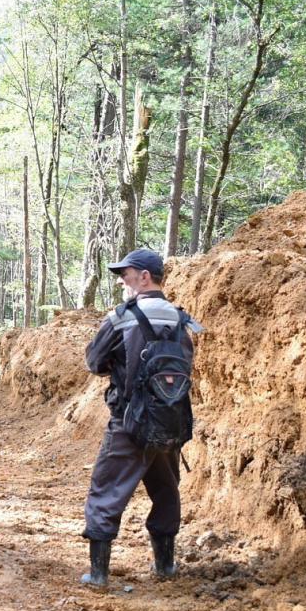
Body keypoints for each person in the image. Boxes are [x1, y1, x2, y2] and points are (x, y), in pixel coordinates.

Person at [81, 249, 202, 587]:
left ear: (144, 277)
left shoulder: (121, 317)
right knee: (166, 491)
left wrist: (118, 365)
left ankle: (98, 574)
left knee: (106, 490)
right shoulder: (182, 319)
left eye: (126, 274)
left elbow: (94, 362)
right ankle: (165, 566)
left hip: (129, 422)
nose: (121, 280)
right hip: (169, 422)